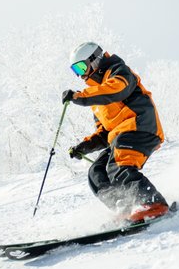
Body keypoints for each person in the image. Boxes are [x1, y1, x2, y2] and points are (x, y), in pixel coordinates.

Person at [62, 42, 170, 223]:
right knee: (96, 172)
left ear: (94, 60)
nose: (80, 75)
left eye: (81, 67)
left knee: (119, 164)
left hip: (140, 127)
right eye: (75, 70)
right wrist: (85, 147)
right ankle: (123, 206)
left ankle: (154, 204)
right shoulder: (95, 97)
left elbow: (116, 90)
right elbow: (104, 132)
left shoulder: (118, 71)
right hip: (120, 136)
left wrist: (78, 97)